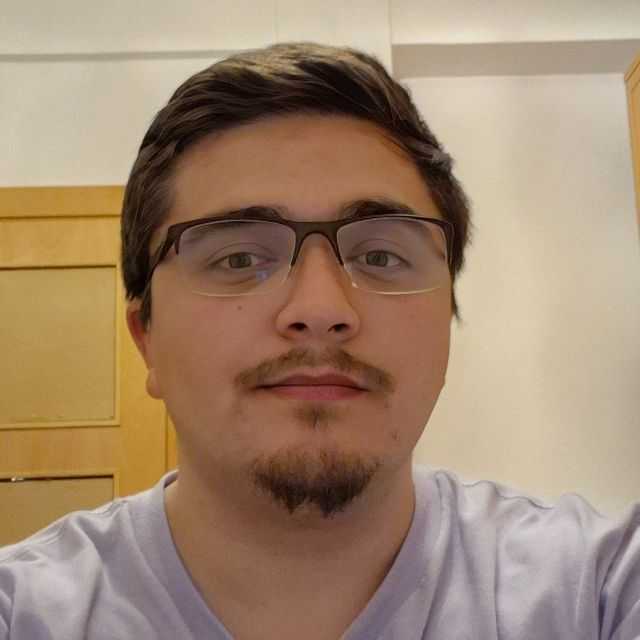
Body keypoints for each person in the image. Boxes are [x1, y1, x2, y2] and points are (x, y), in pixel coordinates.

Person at [1, 41, 638, 640]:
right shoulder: (25, 613)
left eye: (381, 256)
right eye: (238, 257)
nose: (321, 309)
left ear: (446, 318)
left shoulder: (598, 592)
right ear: (147, 340)